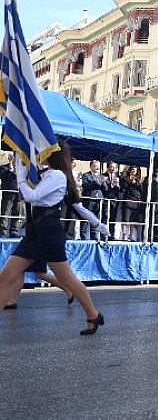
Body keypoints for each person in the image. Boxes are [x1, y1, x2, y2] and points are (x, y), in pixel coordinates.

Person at [0, 143, 104, 335]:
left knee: (68, 280)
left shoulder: (57, 176)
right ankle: (93, 314)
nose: (41, 153)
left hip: (49, 233)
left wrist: (21, 175)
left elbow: (31, 196)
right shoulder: (48, 174)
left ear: (53, 155)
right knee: (5, 276)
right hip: (35, 233)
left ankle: (93, 314)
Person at [4, 202, 111, 309]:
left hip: (39, 237)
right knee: (35, 273)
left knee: (43, 274)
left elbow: (78, 207)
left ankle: (84, 305)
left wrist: (98, 225)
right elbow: (22, 217)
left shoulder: (40, 197)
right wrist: (21, 225)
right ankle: (12, 300)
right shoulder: (27, 199)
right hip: (31, 235)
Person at [80, 160, 104, 240]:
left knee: (95, 220)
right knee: (86, 220)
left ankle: (94, 238)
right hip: (89, 200)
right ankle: (83, 238)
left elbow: (105, 189)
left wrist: (104, 182)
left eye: (98, 166)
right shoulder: (86, 175)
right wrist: (95, 182)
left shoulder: (101, 176)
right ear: (91, 166)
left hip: (98, 201)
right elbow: (85, 186)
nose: (97, 167)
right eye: (95, 165)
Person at [120, 165, 143, 241]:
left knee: (133, 220)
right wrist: (131, 182)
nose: (134, 172)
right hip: (128, 200)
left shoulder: (137, 180)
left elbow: (140, 190)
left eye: (136, 171)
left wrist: (139, 183)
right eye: (133, 170)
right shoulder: (125, 179)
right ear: (130, 170)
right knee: (125, 219)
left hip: (135, 201)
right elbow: (124, 187)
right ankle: (124, 235)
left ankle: (131, 235)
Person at [0, 152, 20, 238]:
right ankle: (3, 232)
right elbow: (3, 175)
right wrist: (11, 168)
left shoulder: (21, 169)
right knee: (5, 213)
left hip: (18, 193)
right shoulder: (4, 167)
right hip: (8, 193)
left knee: (16, 213)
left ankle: (14, 231)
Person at [101, 161, 121, 239]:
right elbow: (104, 188)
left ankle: (111, 234)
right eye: (111, 167)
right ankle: (104, 234)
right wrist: (105, 182)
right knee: (105, 216)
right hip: (106, 199)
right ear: (108, 167)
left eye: (114, 167)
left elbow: (120, 189)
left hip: (114, 200)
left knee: (113, 217)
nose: (113, 169)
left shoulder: (117, 176)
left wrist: (117, 184)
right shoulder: (103, 176)